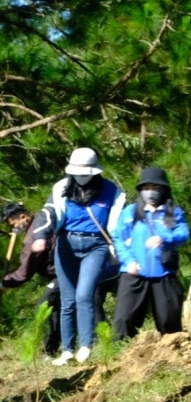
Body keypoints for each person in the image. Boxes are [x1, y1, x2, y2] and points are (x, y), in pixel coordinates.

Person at [48, 148, 122, 366]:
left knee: (84, 295)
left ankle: (85, 346)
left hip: (96, 246)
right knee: (67, 299)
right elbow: (53, 215)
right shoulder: (61, 187)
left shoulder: (111, 191)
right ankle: (67, 350)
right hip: (66, 245)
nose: (80, 176)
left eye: (85, 171)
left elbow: (115, 223)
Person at [110, 166, 191, 338]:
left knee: (169, 321)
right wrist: (129, 261)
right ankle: (119, 357)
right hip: (134, 273)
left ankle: (172, 355)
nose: (151, 192)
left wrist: (165, 238)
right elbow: (118, 238)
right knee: (124, 321)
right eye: (147, 188)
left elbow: (183, 233)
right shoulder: (130, 212)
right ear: (140, 190)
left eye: (156, 188)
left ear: (164, 190)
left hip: (164, 272)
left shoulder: (172, 212)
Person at [3, 199, 60, 358]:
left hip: (63, 273)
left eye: (12, 223)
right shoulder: (37, 226)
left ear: (22, 217)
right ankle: (51, 349)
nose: (12, 227)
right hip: (60, 273)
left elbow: (24, 272)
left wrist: (5, 283)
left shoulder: (34, 235)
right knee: (55, 308)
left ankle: (50, 350)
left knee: (44, 304)